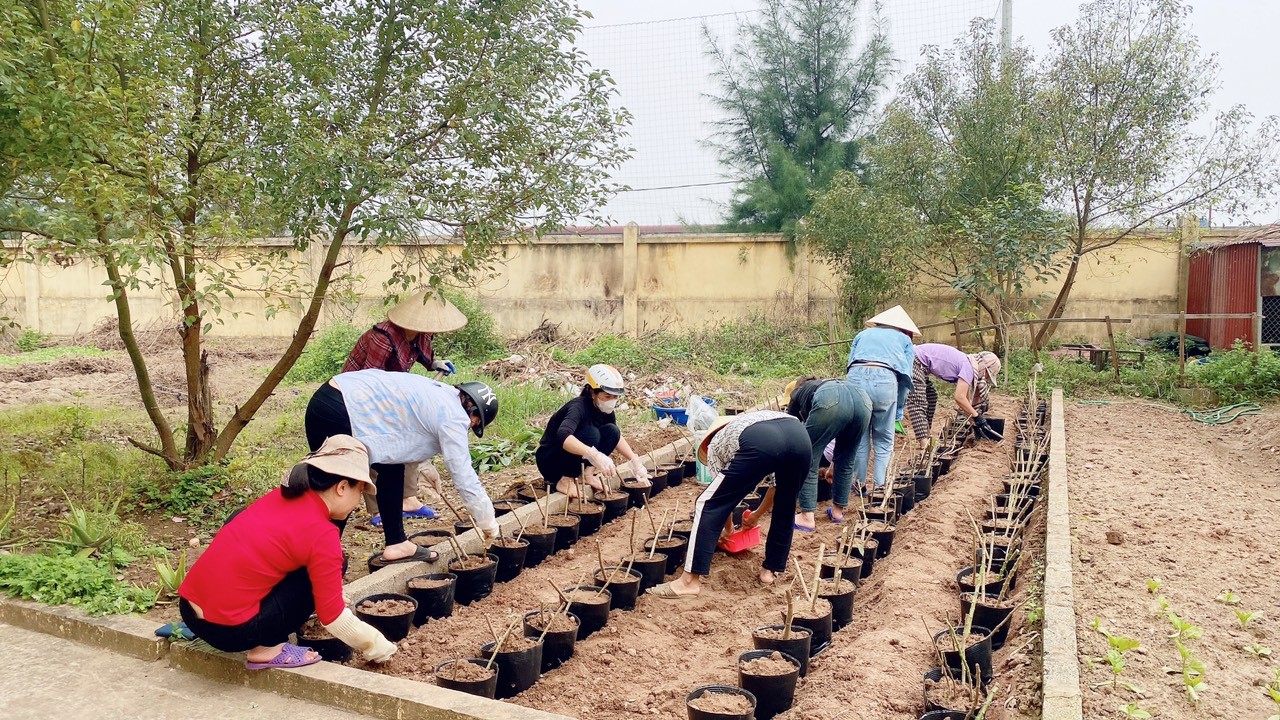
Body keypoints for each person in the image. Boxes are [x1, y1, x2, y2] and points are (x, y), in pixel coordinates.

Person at [178, 435, 398, 669]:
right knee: (333, 565)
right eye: (360, 492)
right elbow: (333, 618)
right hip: (230, 633)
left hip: (190, 611)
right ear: (342, 487)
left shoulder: (279, 496)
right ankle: (266, 649)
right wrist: (378, 646)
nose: (359, 502)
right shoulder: (322, 534)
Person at [304, 369, 500, 569]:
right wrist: (487, 521)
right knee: (341, 486)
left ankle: (396, 543)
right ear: (473, 412)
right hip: (341, 407)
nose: (469, 427)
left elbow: (406, 436)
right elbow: (464, 476)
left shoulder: (443, 395)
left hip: (339, 397)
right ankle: (318, 558)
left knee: (392, 468)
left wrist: (424, 464)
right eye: (474, 424)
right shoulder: (454, 416)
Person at [648, 410, 811, 599]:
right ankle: (770, 570)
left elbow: (722, 502)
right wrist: (756, 516)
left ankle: (688, 583)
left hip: (762, 443)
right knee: (786, 505)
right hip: (800, 437)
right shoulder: (752, 421)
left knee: (706, 503)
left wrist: (728, 529)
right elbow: (776, 489)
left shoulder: (716, 444)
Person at [344, 291, 469, 527]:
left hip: (394, 392)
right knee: (377, 447)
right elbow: (368, 380)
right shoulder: (381, 338)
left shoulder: (421, 335)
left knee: (411, 439)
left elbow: (422, 357)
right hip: (361, 396)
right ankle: (378, 508)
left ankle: (408, 499)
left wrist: (435, 364)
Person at [536, 364, 649, 497]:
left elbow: (616, 437)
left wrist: (634, 461)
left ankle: (587, 474)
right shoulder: (578, 407)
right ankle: (565, 480)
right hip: (551, 461)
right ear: (592, 392)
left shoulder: (605, 410)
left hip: (572, 460)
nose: (612, 401)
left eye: (616, 397)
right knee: (591, 434)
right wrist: (594, 455)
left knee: (612, 431)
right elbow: (563, 436)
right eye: (607, 396)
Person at [845, 305, 919, 490]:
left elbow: (849, 364)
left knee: (860, 437)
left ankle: (859, 484)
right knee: (884, 440)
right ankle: (880, 487)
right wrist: (898, 410)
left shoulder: (862, 335)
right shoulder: (904, 340)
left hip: (856, 379)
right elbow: (906, 378)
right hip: (885, 382)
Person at [784, 376, 871, 530]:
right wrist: (833, 465)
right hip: (862, 400)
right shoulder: (823, 385)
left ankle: (806, 518)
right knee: (847, 458)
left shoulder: (798, 392)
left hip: (831, 400)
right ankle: (837, 512)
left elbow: (790, 427)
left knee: (807, 454)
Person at [904, 344, 1004, 444]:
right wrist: (977, 417)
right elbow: (959, 397)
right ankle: (924, 442)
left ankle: (926, 434)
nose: (985, 378)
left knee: (931, 396)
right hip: (915, 359)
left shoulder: (968, 364)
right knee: (918, 401)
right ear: (984, 367)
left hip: (920, 361)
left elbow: (966, 400)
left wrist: (973, 420)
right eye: (987, 375)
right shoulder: (968, 367)